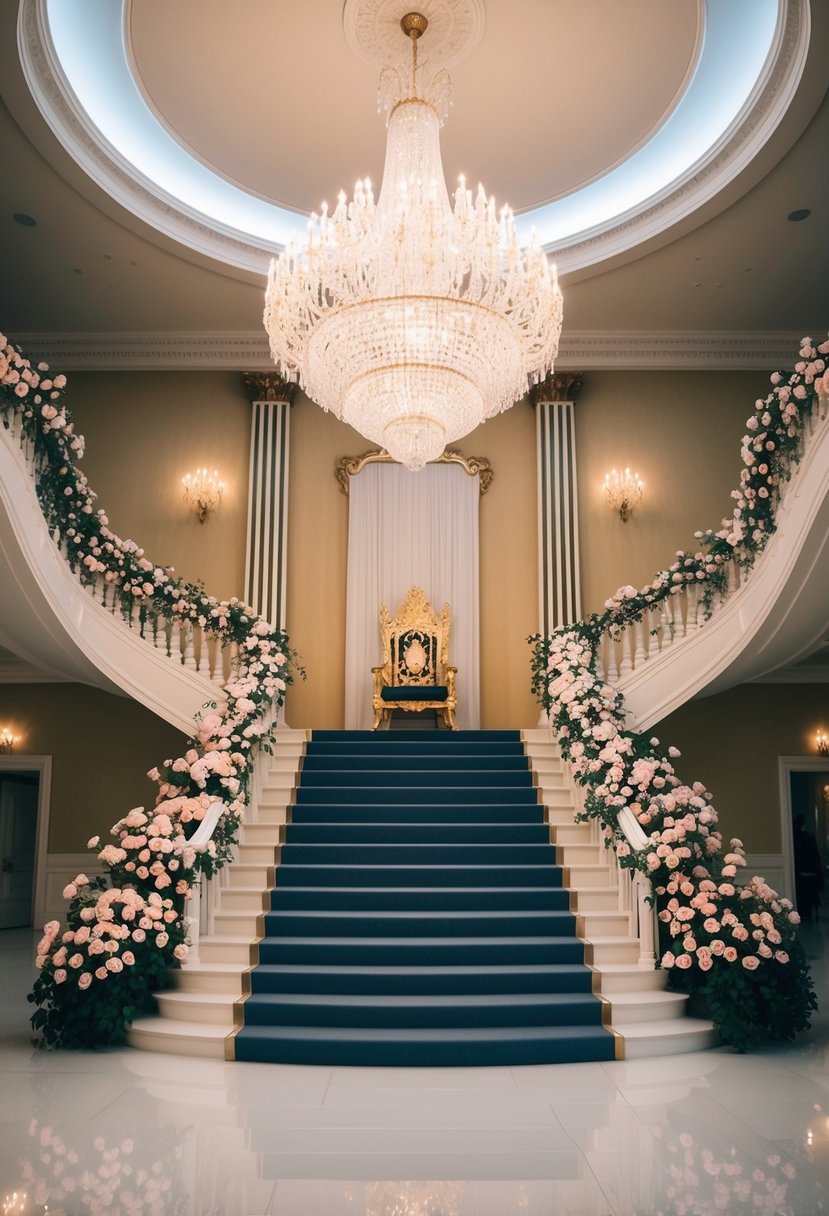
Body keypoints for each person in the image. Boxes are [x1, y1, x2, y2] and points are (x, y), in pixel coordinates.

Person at [793, 813, 824, 923]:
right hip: (810, 870)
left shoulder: (796, 837)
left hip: (802, 870)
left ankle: (804, 912)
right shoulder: (808, 836)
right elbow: (815, 856)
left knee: (803, 893)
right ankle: (809, 911)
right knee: (810, 892)